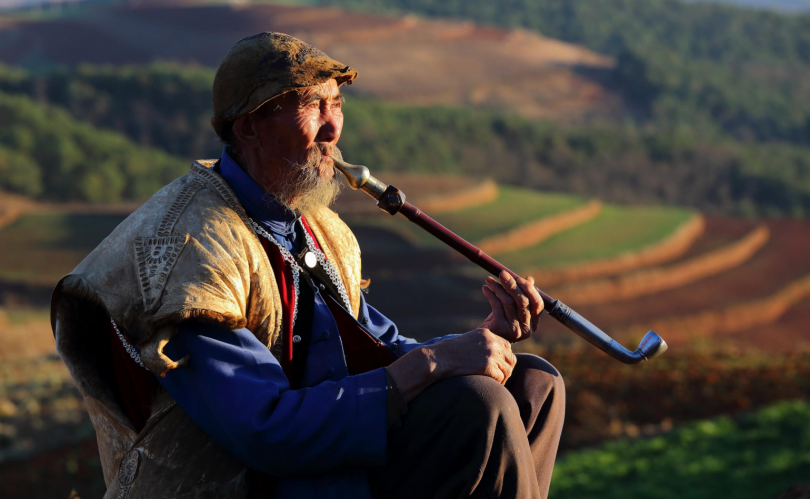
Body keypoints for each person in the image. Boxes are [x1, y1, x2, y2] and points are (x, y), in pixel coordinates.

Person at [51, 33, 565, 499]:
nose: (333, 127)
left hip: (328, 452)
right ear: (249, 126)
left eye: (337, 104)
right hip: (250, 479)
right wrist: (435, 365)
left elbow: (377, 349)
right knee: (480, 407)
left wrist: (481, 343)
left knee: (531, 384)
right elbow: (265, 430)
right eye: (312, 105)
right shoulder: (192, 252)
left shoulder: (316, 225)